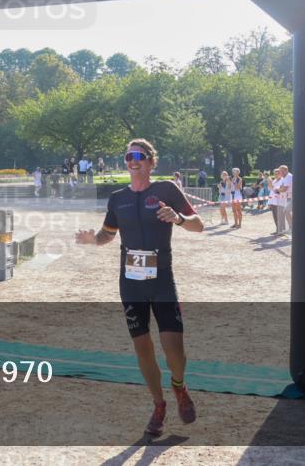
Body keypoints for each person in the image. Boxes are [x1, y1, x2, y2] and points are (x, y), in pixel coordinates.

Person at [75, 139, 203, 436]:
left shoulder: (166, 190)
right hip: (131, 283)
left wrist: (179, 218)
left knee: (174, 350)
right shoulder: (117, 198)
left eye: (139, 156)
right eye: (128, 156)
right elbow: (107, 235)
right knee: (142, 348)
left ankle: (179, 385)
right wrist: (91, 240)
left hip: (162, 281)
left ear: (151, 161)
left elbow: (199, 225)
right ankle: (159, 405)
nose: (133, 160)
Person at [275, 165, 293, 233]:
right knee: (287, 211)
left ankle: (292, 228)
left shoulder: (289, 177)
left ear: (286, 170)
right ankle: (292, 228)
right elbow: (282, 187)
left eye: (281, 171)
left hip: (294, 197)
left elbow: (284, 189)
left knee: (286, 210)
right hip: (289, 197)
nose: (280, 173)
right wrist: (279, 189)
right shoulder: (285, 177)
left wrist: (277, 190)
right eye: (280, 171)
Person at [267, 169, 281, 234]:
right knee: (275, 216)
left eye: (277, 173)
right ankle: (278, 229)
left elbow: (277, 191)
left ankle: (280, 230)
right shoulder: (274, 180)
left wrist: (271, 184)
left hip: (278, 201)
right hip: (272, 201)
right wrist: (269, 184)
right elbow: (270, 190)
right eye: (275, 174)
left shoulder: (282, 181)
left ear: (280, 174)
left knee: (278, 216)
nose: (276, 175)